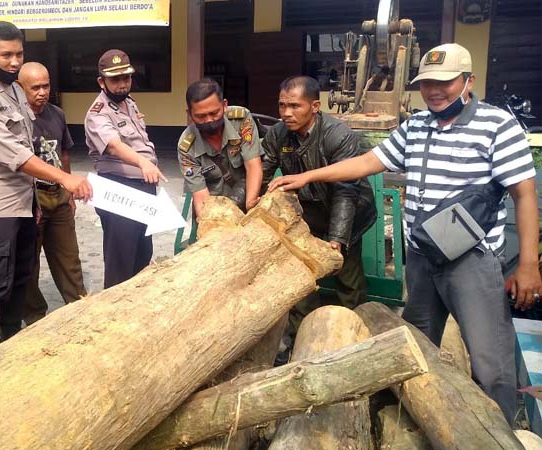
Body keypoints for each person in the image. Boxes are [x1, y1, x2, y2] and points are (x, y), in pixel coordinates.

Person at [269, 43, 541, 422]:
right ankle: (416, 419)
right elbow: (367, 162)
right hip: (422, 259)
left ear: (468, 81)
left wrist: (528, 263)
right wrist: (309, 175)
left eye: (444, 82)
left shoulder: (497, 125)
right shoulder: (416, 126)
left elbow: (524, 194)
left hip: (471, 263)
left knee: (489, 360)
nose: (434, 90)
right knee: (418, 344)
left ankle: (501, 430)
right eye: (427, 83)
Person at [0, 21, 91, 362]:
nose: (14, 61)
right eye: (6, 55)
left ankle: (10, 356)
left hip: (25, 206)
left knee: (19, 285)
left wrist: (38, 201)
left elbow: (29, 142)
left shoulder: (15, 91)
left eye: (19, 53)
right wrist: (64, 178)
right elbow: (14, 154)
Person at [262, 75, 376, 317]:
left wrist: (337, 237)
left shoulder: (338, 135)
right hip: (307, 213)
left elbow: (346, 191)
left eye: (295, 106)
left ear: (315, 107)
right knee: (300, 274)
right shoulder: (278, 134)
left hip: (348, 212)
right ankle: (302, 330)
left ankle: (352, 328)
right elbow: (263, 171)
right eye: (282, 105)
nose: (286, 113)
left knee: (347, 274)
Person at [84, 49, 164, 289]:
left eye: (126, 78)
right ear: (101, 81)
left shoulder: (129, 103)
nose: (122, 84)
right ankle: (113, 318)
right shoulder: (97, 113)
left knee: (142, 255)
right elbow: (114, 147)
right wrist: (142, 162)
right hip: (119, 190)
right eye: (115, 79)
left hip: (143, 189)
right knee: (121, 262)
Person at [17, 62, 87, 324]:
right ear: (20, 88)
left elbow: (64, 152)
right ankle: (35, 319)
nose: (42, 92)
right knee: (28, 267)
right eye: (35, 87)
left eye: (46, 86)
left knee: (69, 260)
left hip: (57, 198)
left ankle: (80, 310)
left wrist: (69, 193)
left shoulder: (56, 114)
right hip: (29, 201)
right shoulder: (16, 120)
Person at [177, 78, 262, 216]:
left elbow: (253, 164)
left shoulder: (241, 119)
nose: (209, 120)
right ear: (190, 114)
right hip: (213, 209)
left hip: (246, 196)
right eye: (201, 116)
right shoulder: (187, 146)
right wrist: (209, 224)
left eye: (214, 113)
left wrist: (251, 204)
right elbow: (200, 195)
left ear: (224, 105)